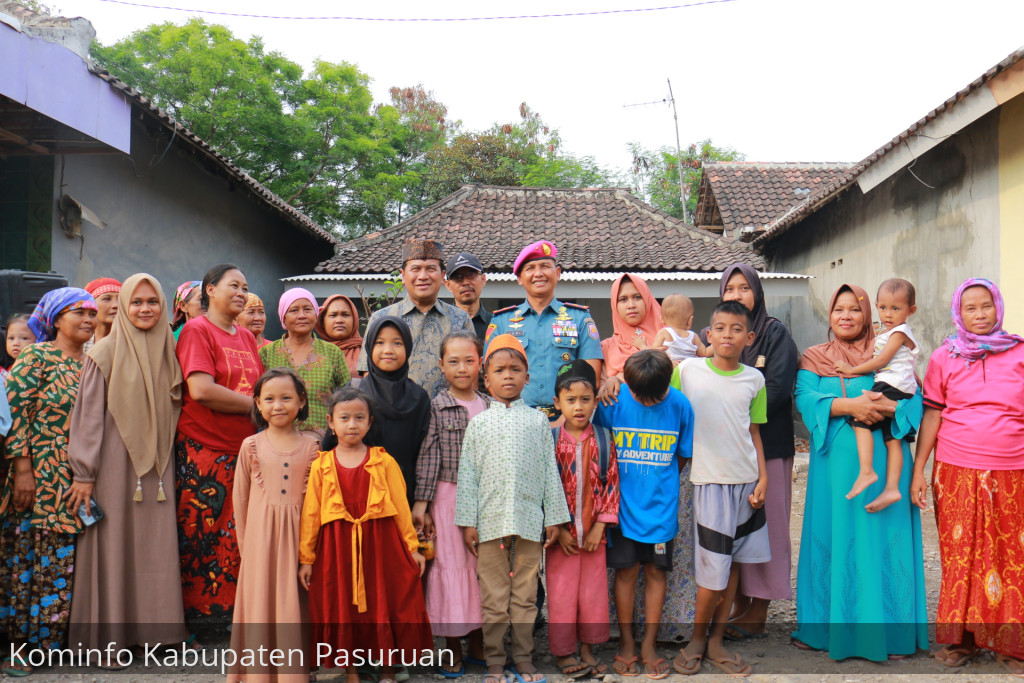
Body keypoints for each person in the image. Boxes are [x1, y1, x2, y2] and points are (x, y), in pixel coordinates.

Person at [791, 283, 928, 661]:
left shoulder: (888, 351)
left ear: (867, 314)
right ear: (830, 315)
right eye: (839, 309)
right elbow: (804, 399)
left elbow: (915, 402)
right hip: (833, 473)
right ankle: (824, 631)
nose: (846, 316)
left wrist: (884, 410)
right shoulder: (815, 356)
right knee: (834, 539)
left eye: (854, 309)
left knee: (882, 541)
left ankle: (893, 636)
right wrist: (851, 405)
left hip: (886, 472)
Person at [65, 274, 191, 662]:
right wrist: (84, 474)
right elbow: (87, 418)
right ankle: (108, 639)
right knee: (114, 545)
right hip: (113, 467)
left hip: (158, 466)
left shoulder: (169, 351)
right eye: (136, 302)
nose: (145, 309)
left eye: (152, 302)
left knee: (154, 548)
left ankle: (154, 633)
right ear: (123, 306)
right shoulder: (104, 352)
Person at [910, 278, 1024, 675]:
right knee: (961, 558)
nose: (979, 315)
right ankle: (964, 640)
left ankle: (1011, 644)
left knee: (1013, 558)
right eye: (971, 308)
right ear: (959, 312)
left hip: (1014, 471)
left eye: (986, 306)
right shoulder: (945, 357)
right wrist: (919, 471)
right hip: (956, 470)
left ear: (998, 308)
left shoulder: (1020, 353)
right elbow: (933, 415)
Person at [455, 335, 570, 683]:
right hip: (488, 523)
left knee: (524, 595)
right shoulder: (478, 423)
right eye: (499, 370)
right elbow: (468, 474)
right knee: (493, 596)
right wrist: (467, 522)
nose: (508, 376)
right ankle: (493, 661)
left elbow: (550, 470)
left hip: (529, 521)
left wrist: (554, 518)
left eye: (515, 369)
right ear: (485, 379)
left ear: (527, 376)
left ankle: (523, 658)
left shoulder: (537, 421)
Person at [300, 388, 432, 683]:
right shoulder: (322, 465)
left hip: (380, 545)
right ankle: (352, 673)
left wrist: (413, 548)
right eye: (344, 418)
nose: (352, 425)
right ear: (331, 424)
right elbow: (311, 515)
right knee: (343, 604)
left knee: (383, 602)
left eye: (359, 418)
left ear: (370, 423)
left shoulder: (383, 461)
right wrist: (307, 559)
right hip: (337, 547)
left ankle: (387, 670)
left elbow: (400, 507)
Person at [0, 288, 96, 673]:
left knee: (61, 560)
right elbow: (16, 416)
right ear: (56, 319)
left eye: (92, 313)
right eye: (79, 313)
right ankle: (18, 648)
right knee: (27, 556)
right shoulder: (36, 357)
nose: (89, 319)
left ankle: (50, 644)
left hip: (76, 476)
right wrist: (23, 471)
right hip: (36, 474)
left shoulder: (93, 362)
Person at [672, 301, 770, 677]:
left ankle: (716, 641)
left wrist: (763, 478)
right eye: (720, 328)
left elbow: (754, 433)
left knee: (731, 569)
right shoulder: (688, 370)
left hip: (745, 484)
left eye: (735, 329)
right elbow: (667, 412)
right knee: (712, 570)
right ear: (707, 334)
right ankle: (698, 638)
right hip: (708, 482)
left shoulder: (754, 380)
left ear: (749, 337)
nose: (727, 335)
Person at [710, 264, 799, 641]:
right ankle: (741, 604)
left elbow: (777, 388)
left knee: (769, 526)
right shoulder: (712, 334)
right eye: (730, 288)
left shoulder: (775, 333)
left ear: (757, 293)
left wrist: (733, 407)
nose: (736, 295)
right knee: (738, 528)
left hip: (770, 447)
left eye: (744, 288)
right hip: (727, 451)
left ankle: (759, 610)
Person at [593, 350, 693, 678]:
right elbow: (598, 452)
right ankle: (625, 642)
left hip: (661, 513)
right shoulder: (613, 401)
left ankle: (648, 643)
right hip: (620, 511)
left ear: (667, 384)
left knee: (655, 574)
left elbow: (681, 458)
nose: (646, 403)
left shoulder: (680, 405)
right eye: (639, 396)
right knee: (625, 574)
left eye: (654, 397)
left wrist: (660, 487)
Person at [175, 264, 264, 621]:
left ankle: (231, 612)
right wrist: (259, 410)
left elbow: (257, 385)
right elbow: (201, 389)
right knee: (202, 533)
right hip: (204, 449)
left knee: (236, 532)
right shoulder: (197, 330)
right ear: (210, 290)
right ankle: (199, 615)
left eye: (245, 287)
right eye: (234, 286)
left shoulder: (244, 337)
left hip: (241, 449)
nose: (242, 293)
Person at [228, 368, 319, 683]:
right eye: (269, 399)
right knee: (262, 603)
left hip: (299, 539)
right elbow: (239, 500)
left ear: (301, 401)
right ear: (257, 403)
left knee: (295, 602)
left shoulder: (313, 446)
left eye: (286, 398)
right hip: (260, 542)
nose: (278, 405)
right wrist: (246, 546)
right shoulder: (250, 445)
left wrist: (313, 546)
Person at [413, 330, 489, 676]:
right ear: (441, 366)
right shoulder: (437, 406)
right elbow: (428, 458)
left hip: (487, 499)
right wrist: (423, 504)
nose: (462, 368)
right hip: (448, 497)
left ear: (480, 364)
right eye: (454, 362)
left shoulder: (490, 405)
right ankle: (451, 647)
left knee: (480, 571)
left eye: (469, 361)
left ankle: (477, 641)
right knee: (450, 569)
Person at [548, 360, 619, 679]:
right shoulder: (550, 441)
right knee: (562, 595)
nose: (579, 406)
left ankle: (588, 648)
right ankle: (564, 652)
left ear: (595, 401)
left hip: (594, 535)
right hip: (559, 538)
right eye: (571, 399)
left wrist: (602, 525)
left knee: (592, 595)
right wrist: (558, 529)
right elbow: (545, 487)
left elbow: (612, 484)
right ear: (557, 403)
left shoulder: (604, 439)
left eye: (585, 399)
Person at [487, 241, 603, 419]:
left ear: (557, 273)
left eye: (545, 266)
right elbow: (490, 376)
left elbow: (591, 374)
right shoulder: (501, 322)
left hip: (567, 421)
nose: (538, 273)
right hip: (516, 420)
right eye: (530, 268)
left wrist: (567, 418)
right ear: (519, 278)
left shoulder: (580, 318)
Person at [835, 278, 919, 512]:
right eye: (882, 307)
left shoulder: (900, 332)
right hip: (899, 387)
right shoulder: (886, 333)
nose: (888, 314)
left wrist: (851, 369)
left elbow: (880, 361)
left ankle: (867, 471)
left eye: (895, 308)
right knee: (892, 439)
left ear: (911, 310)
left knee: (860, 418)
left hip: (893, 385)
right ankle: (892, 488)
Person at [357, 239, 473, 398]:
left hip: (450, 417)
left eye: (431, 269)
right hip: (395, 415)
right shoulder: (381, 318)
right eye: (415, 269)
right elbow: (368, 373)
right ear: (403, 276)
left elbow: (472, 373)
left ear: (442, 276)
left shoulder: (460, 319)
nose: (423, 276)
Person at [357, 316, 430, 504]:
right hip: (362, 490)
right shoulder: (356, 395)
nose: (388, 350)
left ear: (408, 348)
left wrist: (423, 503)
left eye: (397, 343)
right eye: (380, 343)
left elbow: (425, 453)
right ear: (369, 347)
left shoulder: (419, 397)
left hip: (406, 492)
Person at [260, 288, 350, 436]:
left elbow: (346, 399)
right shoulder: (266, 353)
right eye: (294, 310)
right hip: (276, 442)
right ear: (283, 317)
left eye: (308, 309)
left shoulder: (333, 353)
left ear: (316, 315)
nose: (302, 315)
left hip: (323, 444)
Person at [599, 274, 662, 398]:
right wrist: (611, 383)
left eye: (637, 297)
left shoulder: (668, 338)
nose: (631, 305)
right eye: (623, 299)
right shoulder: (606, 348)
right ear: (614, 305)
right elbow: (599, 393)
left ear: (647, 299)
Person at [445, 252, 491, 342]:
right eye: (457, 277)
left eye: (471, 275)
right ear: (448, 285)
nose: (465, 282)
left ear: (483, 279)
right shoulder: (439, 325)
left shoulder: (496, 324)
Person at [651, 294, 710, 363]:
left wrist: (642, 345)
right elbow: (705, 353)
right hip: (689, 369)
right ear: (690, 320)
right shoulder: (694, 336)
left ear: (662, 319)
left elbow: (654, 352)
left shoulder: (664, 332)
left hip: (671, 368)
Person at [315, 294, 363, 377]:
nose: (339, 320)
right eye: (333, 315)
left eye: (345, 315)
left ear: (354, 319)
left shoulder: (367, 352)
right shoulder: (314, 354)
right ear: (322, 322)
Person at [83, 277, 121, 351]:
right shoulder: (79, 345)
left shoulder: (131, 346)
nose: (115, 305)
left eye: (120, 300)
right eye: (107, 299)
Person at [1, 313, 35, 382]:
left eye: (24, 338)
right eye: (11, 338)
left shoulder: (36, 370)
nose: (15, 343)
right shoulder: (6, 370)